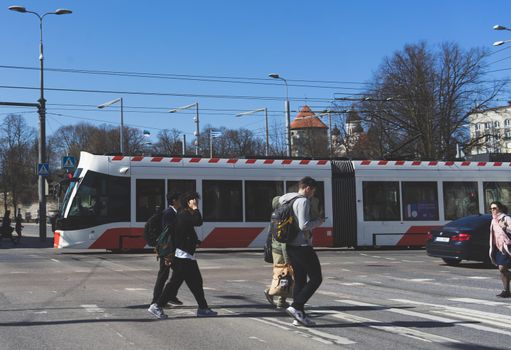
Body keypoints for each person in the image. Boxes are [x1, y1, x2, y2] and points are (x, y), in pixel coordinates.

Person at [148, 192, 217, 319]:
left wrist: (195, 242)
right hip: (182, 256)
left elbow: (188, 232)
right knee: (175, 283)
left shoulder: (183, 215)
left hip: (187, 255)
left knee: (196, 282)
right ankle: (157, 305)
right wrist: (195, 208)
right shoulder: (184, 215)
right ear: (189, 202)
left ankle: (203, 308)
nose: (196, 203)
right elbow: (198, 221)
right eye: (194, 201)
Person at [282, 176, 324, 326]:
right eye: (312, 191)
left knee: (300, 279)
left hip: (290, 245)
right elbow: (304, 225)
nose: (312, 194)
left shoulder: (287, 199)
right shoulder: (303, 201)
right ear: (307, 188)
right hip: (302, 246)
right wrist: (319, 222)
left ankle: (298, 315)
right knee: (316, 278)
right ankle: (296, 306)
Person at [150, 193, 183, 308]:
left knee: (178, 273)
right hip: (167, 249)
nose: (181, 201)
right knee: (163, 275)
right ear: (174, 201)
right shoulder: (169, 213)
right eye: (180, 199)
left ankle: (170, 295)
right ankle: (156, 300)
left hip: (171, 249)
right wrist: (170, 252)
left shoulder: (173, 212)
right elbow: (170, 232)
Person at [264, 196, 291, 308]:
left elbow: (269, 235)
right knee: (285, 274)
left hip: (275, 249)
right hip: (281, 250)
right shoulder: (283, 217)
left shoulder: (274, 216)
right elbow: (284, 240)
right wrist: (288, 258)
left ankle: (275, 294)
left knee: (281, 274)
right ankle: (279, 298)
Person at [489, 201, 511, 298]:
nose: (492, 210)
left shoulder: (506, 218)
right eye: (491, 209)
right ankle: (506, 291)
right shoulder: (493, 220)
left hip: (507, 246)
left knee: (502, 267)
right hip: (498, 247)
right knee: (501, 270)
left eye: (494, 208)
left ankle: (506, 290)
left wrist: (505, 227)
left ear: (500, 209)